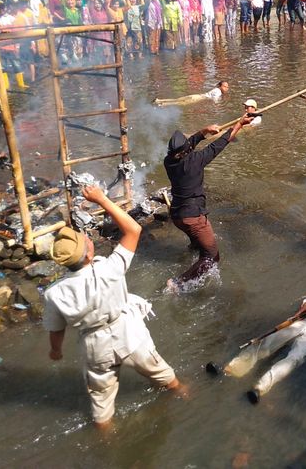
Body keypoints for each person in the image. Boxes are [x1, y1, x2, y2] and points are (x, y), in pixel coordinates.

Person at [42, 186, 184, 428]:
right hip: (129, 335)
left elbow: (56, 330)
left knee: (101, 406)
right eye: (85, 239)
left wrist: (56, 351)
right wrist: (100, 198)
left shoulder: (54, 293)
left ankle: (106, 437)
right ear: (88, 254)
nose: (87, 237)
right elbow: (133, 229)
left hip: (95, 348)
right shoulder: (109, 268)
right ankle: (184, 397)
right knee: (165, 376)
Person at [163, 113, 254, 290]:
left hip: (177, 215)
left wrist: (204, 131)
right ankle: (178, 283)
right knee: (212, 257)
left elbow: (189, 145)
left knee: (197, 245)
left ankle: (192, 251)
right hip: (193, 217)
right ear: (186, 151)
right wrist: (240, 124)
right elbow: (220, 144)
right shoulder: (195, 161)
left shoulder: (169, 161)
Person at [153, 80, 229, 105]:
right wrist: (220, 104)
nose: (226, 88)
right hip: (197, 98)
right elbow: (215, 101)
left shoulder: (216, 89)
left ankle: (158, 100)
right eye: (225, 86)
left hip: (196, 96)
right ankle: (162, 105)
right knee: (179, 103)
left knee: (176, 100)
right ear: (220, 86)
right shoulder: (218, 92)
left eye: (227, 87)